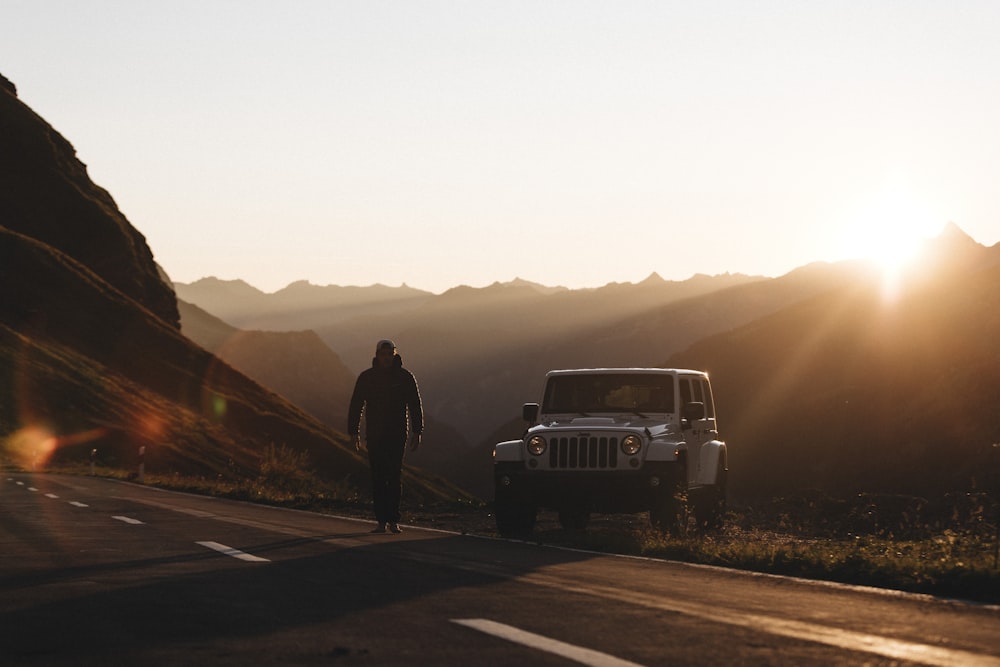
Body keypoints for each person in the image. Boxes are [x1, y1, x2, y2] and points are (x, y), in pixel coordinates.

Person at [347, 339, 423, 534]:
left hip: (397, 433)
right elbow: (356, 405)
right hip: (374, 434)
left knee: (394, 475)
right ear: (377, 356)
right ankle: (381, 521)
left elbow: (415, 404)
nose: (387, 358)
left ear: (394, 355)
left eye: (390, 354)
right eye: (383, 354)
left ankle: (393, 520)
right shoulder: (367, 378)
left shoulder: (405, 377)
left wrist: (418, 431)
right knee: (379, 477)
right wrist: (353, 432)